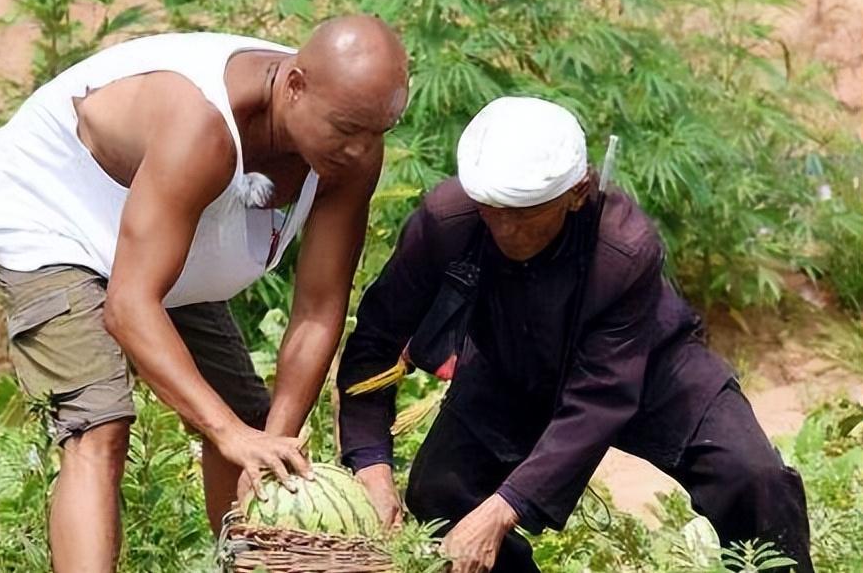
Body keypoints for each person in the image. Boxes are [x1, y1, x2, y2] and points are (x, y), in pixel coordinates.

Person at [0, 16, 408, 572]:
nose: (360, 149)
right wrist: (228, 433)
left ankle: (240, 562)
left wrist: (268, 443)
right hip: (52, 214)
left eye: (377, 132)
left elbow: (318, 310)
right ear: (294, 86)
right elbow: (129, 307)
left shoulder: (351, 135)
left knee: (251, 423)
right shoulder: (202, 123)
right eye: (346, 130)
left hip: (162, 228)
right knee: (100, 425)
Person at [337, 97, 812, 573]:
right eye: (492, 210)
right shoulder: (449, 219)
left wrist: (504, 508)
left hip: (647, 363)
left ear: (578, 192)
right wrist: (371, 461)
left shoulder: (624, 248)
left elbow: (600, 398)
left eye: (524, 214)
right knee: (441, 493)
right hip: (513, 364)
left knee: (752, 478)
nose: (504, 229)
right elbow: (376, 339)